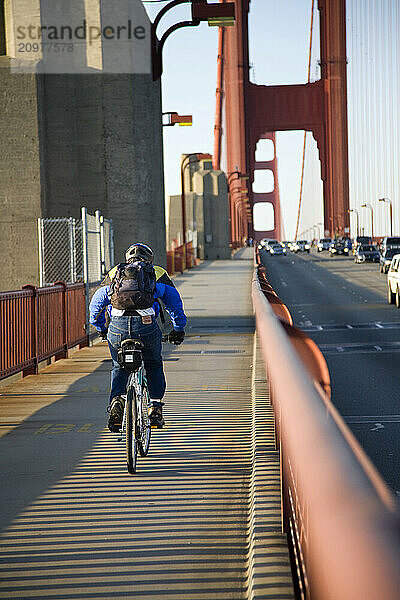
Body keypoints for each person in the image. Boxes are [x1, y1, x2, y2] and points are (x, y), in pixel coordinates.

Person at [89, 243, 187, 430]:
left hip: (117, 329)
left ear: (128, 259)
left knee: (119, 365)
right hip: (147, 327)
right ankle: (155, 408)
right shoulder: (157, 273)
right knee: (153, 363)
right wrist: (178, 329)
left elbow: (96, 305)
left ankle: (117, 400)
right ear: (150, 259)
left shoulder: (115, 272)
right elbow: (174, 304)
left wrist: (101, 327)